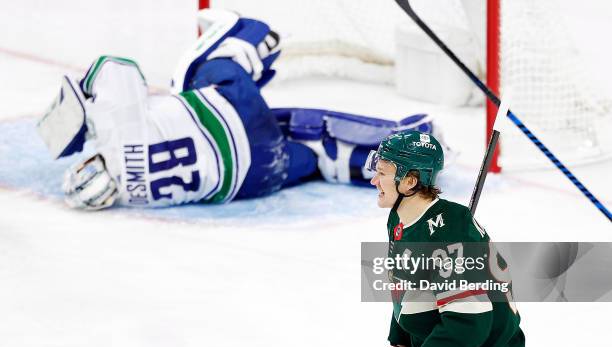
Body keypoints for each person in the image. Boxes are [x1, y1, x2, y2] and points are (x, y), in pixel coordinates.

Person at [36, 9, 444, 210]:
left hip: (256, 179)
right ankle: (251, 41)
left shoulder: (135, 199)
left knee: (309, 148)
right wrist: (87, 95)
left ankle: (378, 158)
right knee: (196, 73)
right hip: (237, 113)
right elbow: (117, 68)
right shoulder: (113, 134)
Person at [366, 130, 525, 347]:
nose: (374, 180)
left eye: (382, 173)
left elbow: (470, 322)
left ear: (410, 182)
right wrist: (402, 340)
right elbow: (406, 286)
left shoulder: (449, 235)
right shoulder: (402, 220)